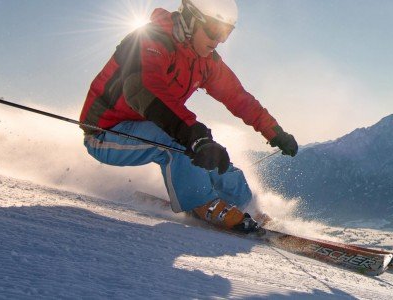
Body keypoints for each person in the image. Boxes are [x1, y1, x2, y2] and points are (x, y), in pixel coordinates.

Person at [78, 0, 297, 232]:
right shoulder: (150, 40)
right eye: (214, 29)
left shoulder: (205, 60)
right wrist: (194, 135)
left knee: (212, 156)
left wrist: (275, 132)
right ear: (191, 19)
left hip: (153, 126)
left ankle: (247, 206)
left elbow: (239, 98)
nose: (218, 40)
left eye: (226, 32)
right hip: (106, 133)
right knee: (183, 143)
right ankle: (202, 203)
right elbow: (142, 90)